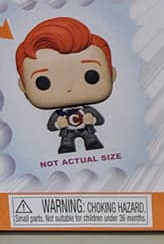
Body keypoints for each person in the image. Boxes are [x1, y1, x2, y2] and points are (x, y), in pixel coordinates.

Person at [16, 17, 116, 154]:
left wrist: (91, 119)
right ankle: (67, 146)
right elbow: (51, 126)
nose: (69, 88)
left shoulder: (87, 110)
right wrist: (58, 124)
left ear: (111, 74)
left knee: (92, 141)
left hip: (87, 130)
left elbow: (99, 120)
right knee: (67, 143)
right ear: (23, 86)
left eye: (91, 76)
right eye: (43, 83)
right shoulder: (59, 114)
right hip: (67, 133)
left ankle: (92, 142)